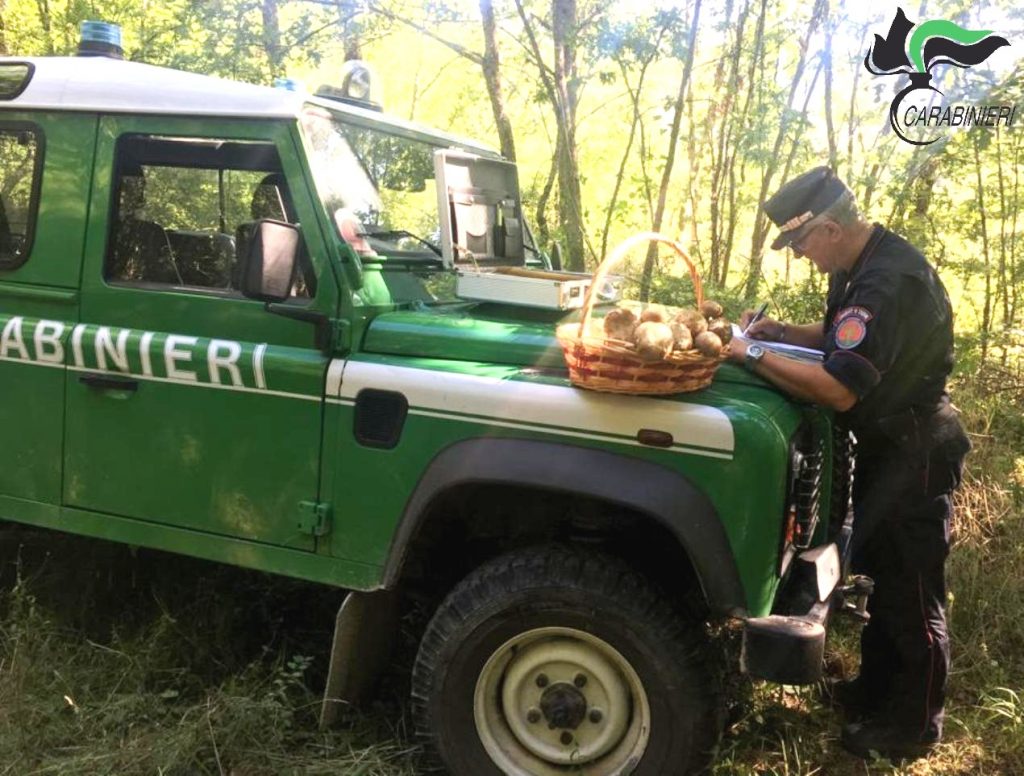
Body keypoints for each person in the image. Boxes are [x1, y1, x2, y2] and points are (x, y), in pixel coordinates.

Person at [726, 167, 970, 760]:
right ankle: (877, 692)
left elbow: (839, 389)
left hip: (916, 448)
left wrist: (750, 351)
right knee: (884, 576)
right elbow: (845, 337)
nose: (801, 255)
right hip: (890, 447)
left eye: (801, 242)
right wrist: (787, 332)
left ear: (830, 229)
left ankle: (914, 726)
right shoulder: (860, 264)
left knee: (912, 591)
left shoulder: (886, 281)